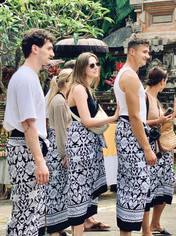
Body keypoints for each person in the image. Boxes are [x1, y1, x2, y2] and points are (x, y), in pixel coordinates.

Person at [4, 28, 55, 236]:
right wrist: (39, 160)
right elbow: (28, 124)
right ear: (35, 49)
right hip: (25, 148)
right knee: (26, 211)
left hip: (27, 147)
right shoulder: (25, 79)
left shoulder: (29, 77)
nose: (52, 54)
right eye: (49, 48)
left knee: (33, 210)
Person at [66, 52, 119, 236]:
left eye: (97, 64)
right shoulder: (79, 89)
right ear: (82, 69)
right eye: (91, 65)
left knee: (86, 189)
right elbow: (87, 121)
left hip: (88, 142)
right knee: (79, 190)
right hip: (80, 143)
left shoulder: (87, 89)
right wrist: (114, 117)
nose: (96, 67)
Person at [114, 38, 157, 236]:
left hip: (129, 131)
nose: (147, 56)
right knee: (135, 187)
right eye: (144, 52)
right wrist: (147, 148)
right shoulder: (129, 77)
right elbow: (133, 116)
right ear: (132, 52)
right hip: (131, 134)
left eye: (148, 52)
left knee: (132, 186)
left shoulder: (126, 74)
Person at [143, 66, 176, 236]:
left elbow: (162, 123)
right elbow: (137, 121)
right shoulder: (144, 97)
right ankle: (147, 228)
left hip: (163, 149)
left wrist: (175, 111)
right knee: (149, 189)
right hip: (150, 148)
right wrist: (157, 120)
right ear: (162, 81)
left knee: (166, 185)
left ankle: (156, 223)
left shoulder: (155, 98)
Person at [46, 69, 74, 236]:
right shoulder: (58, 101)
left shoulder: (60, 100)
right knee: (56, 191)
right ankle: (55, 229)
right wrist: (64, 153)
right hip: (58, 151)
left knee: (61, 189)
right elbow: (60, 131)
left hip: (58, 149)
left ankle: (59, 228)